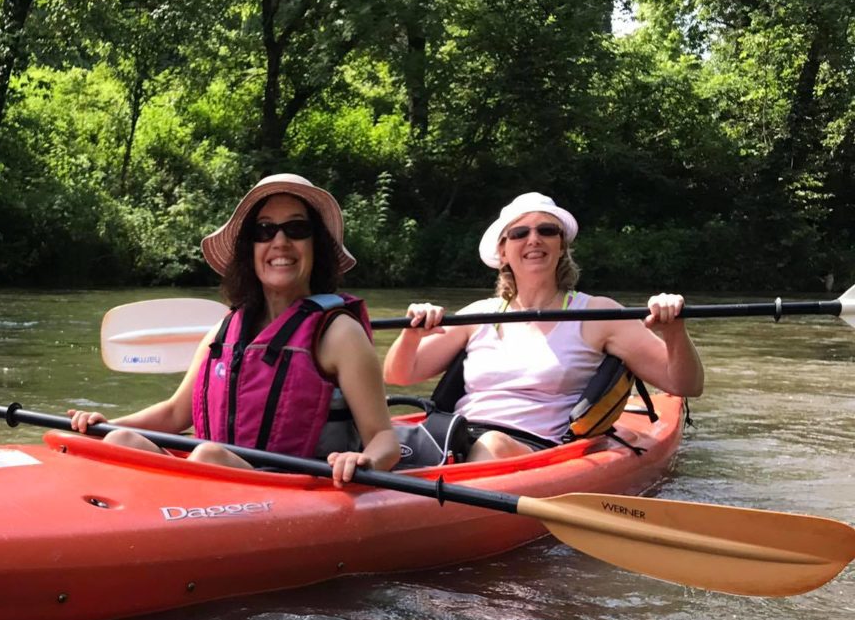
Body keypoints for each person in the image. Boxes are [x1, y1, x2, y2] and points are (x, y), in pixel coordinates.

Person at [68, 174, 399, 485]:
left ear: (317, 245)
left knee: (209, 455)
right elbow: (174, 413)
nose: (280, 241)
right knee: (121, 441)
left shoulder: (340, 334)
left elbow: (384, 438)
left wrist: (364, 461)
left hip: (298, 491)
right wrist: (104, 425)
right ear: (249, 249)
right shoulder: (222, 332)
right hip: (215, 484)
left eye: (296, 229)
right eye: (264, 230)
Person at [381, 192, 705, 461]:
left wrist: (674, 332)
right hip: (457, 439)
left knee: (492, 444)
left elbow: (685, 384)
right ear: (503, 252)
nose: (534, 239)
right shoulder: (478, 315)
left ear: (561, 245)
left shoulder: (599, 314)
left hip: (533, 451)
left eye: (547, 231)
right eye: (520, 233)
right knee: (378, 435)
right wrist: (412, 334)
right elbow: (399, 375)